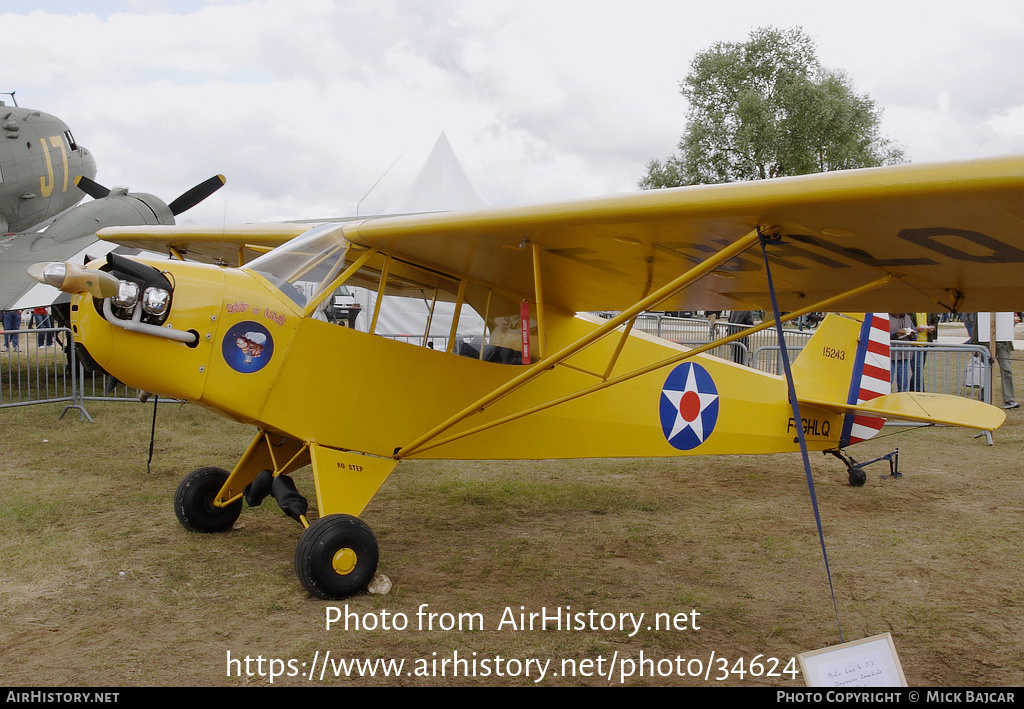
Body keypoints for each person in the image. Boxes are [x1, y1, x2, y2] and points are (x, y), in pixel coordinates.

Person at [974, 312, 1019, 410]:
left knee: (1006, 369)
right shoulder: (983, 311)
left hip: (1003, 345)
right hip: (986, 345)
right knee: (987, 372)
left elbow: (1006, 326)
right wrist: (975, 346)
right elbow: (977, 327)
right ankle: (984, 397)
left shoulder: (1005, 310)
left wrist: (1012, 322)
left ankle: (1009, 399)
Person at [889, 313, 918, 392]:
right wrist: (895, 334)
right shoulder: (887, 317)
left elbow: (916, 336)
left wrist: (912, 335)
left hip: (904, 356)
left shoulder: (907, 318)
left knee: (903, 385)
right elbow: (881, 334)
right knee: (888, 382)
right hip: (890, 356)